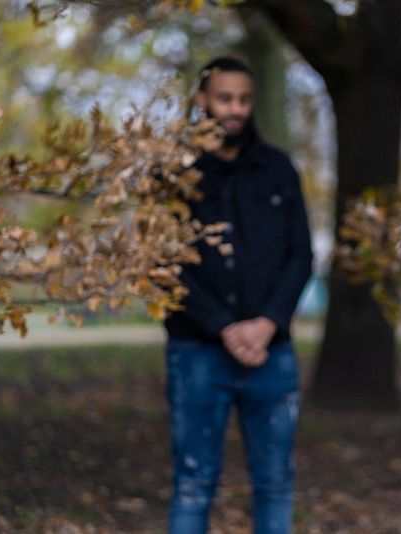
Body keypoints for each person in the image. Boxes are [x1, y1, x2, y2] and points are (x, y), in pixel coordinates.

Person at [163, 57, 313, 534]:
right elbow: (163, 264)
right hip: (196, 351)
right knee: (193, 483)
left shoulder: (278, 169)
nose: (235, 109)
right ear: (202, 100)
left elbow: (301, 255)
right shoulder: (175, 174)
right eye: (225, 98)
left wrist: (265, 323)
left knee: (275, 484)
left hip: (272, 352)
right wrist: (224, 327)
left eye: (244, 99)